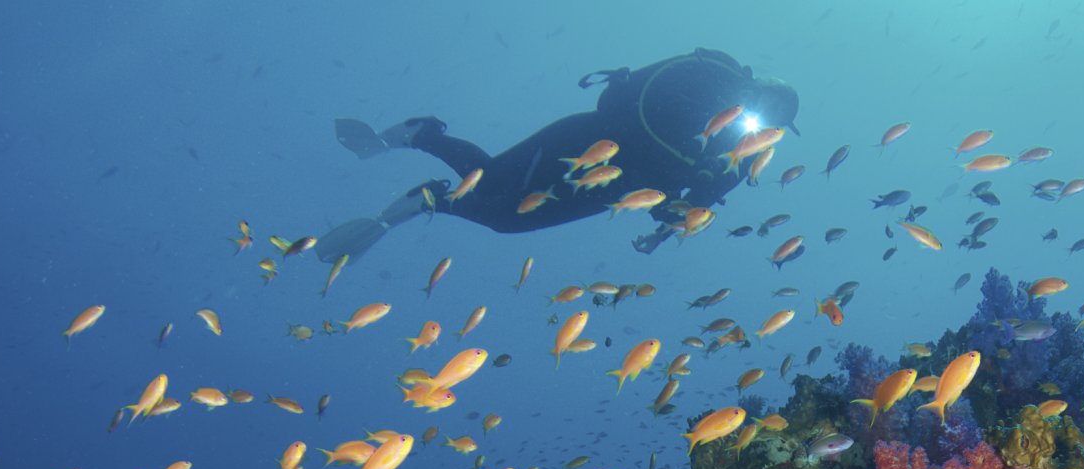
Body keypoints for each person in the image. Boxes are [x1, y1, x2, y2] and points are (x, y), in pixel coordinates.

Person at [318, 49, 798, 262]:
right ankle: (422, 136)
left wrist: (663, 232)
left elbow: (699, 203)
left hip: (615, 189)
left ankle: (431, 200)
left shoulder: (741, 155)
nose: (758, 126)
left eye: (770, 127)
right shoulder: (712, 78)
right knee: (494, 180)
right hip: (589, 141)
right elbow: (632, 99)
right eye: (763, 112)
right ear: (756, 89)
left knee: (509, 220)